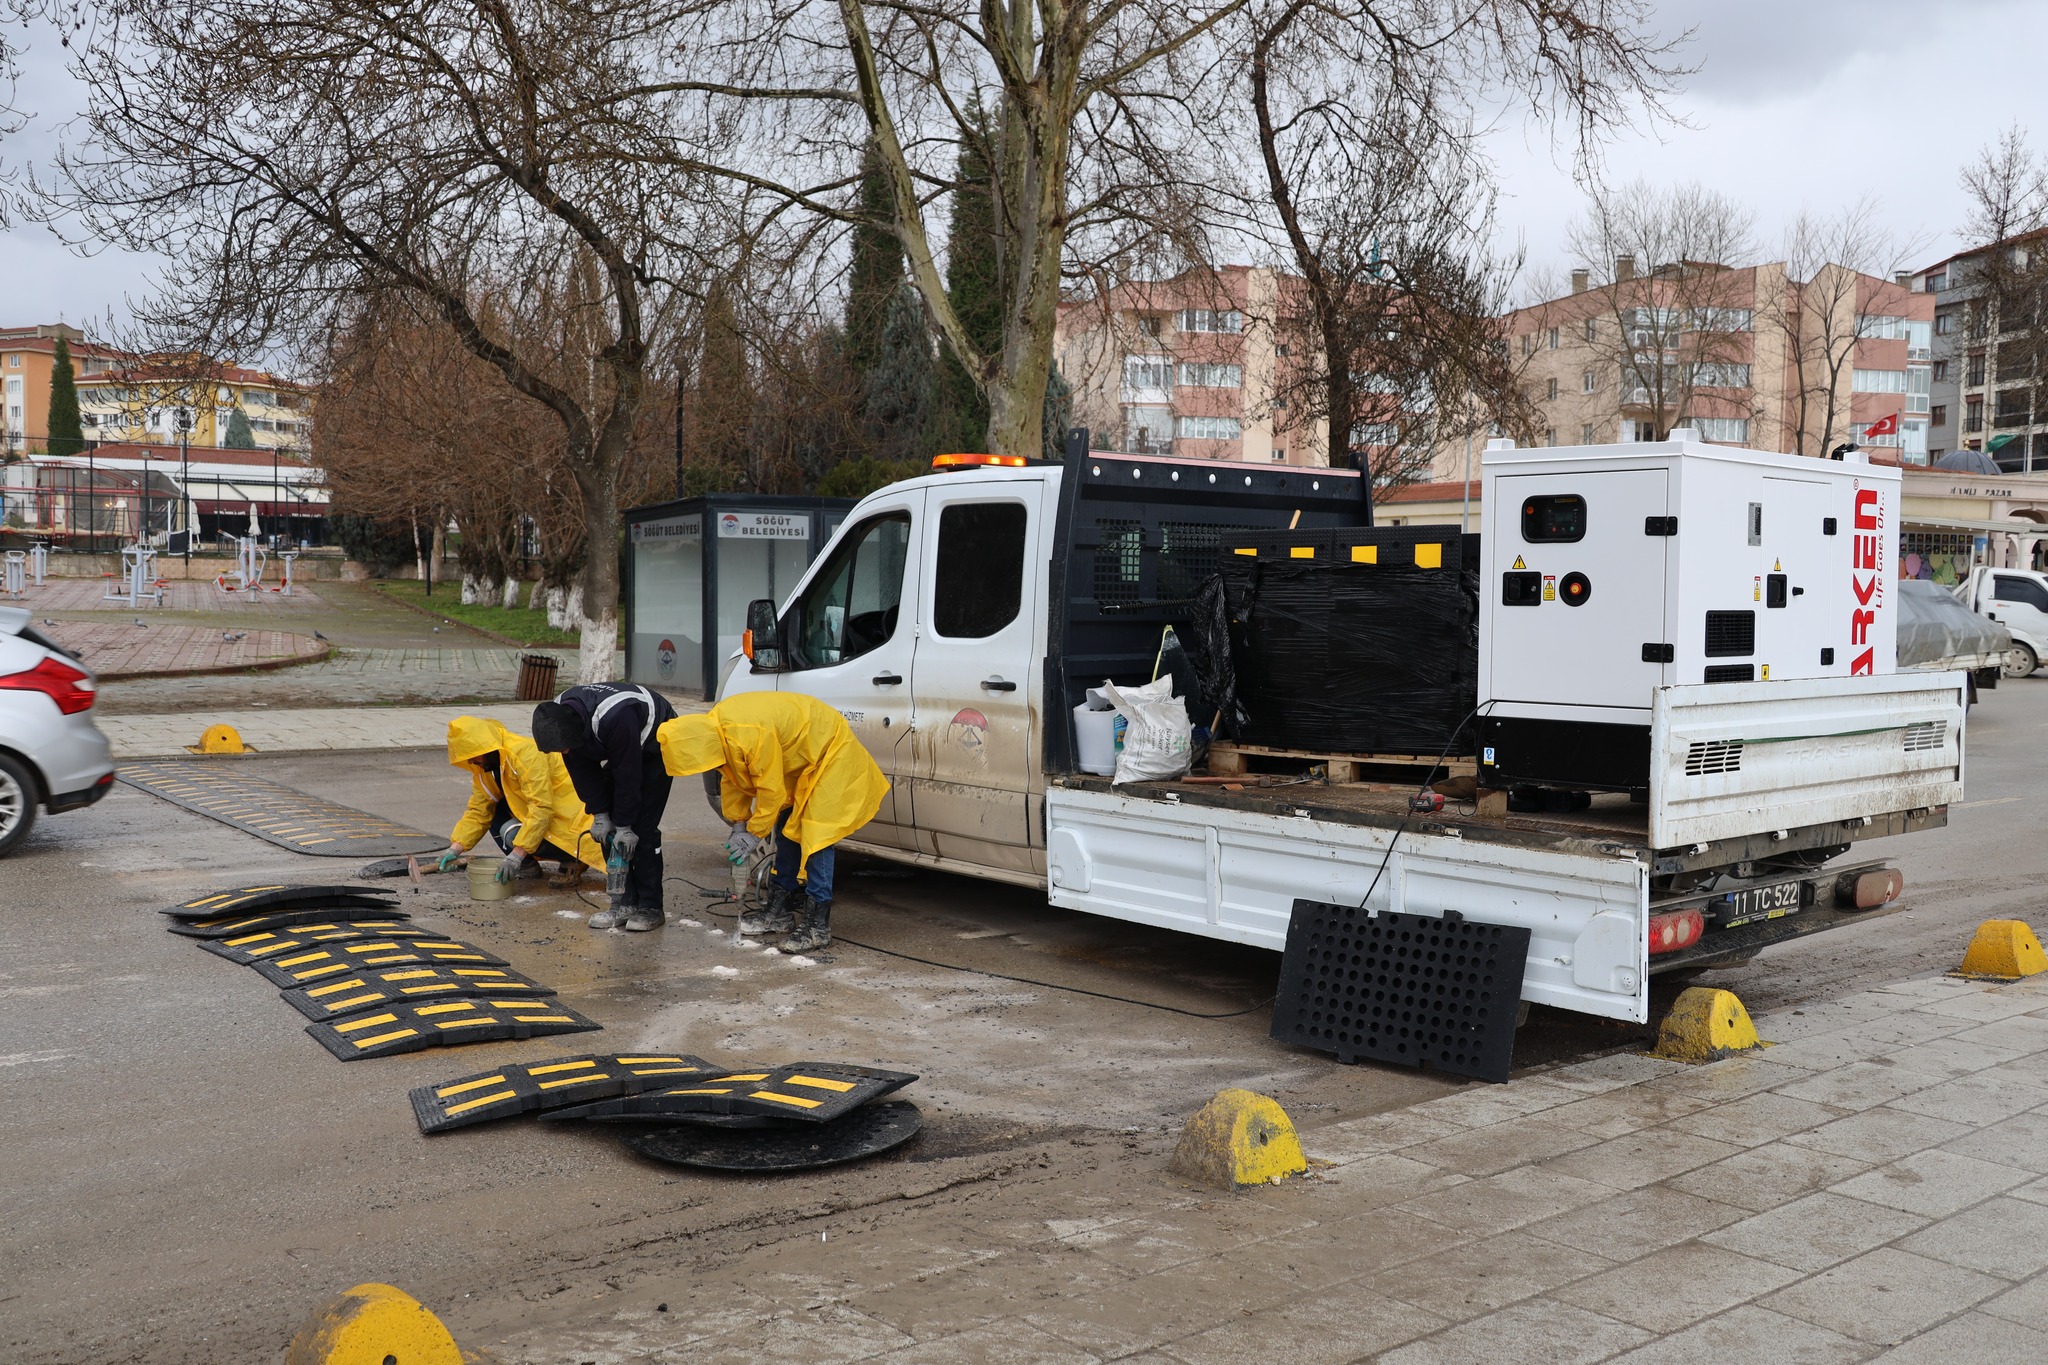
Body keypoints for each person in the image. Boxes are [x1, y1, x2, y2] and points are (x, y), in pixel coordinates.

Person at [656, 691, 888, 954]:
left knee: (816, 834)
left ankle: (817, 926)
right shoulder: (715, 732)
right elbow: (733, 778)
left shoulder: (748, 734)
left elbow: (771, 791)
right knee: (787, 826)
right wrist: (739, 824)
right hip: (799, 758)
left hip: (829, 751)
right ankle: (779, 910)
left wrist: (754, 834)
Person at [531, 682, 677, 931]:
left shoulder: (616, 716)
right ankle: (624, 902)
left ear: (575, 732)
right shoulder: (560, 718)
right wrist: (600, 815)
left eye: (565, 748)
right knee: (606, 829)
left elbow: (627, 774)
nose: (564, 752)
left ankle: (651, 907)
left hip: (656, 743)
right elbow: (583, 773)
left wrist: (625, 825)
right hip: (617, 742)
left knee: (642, 829)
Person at [437, 715, 605, 887]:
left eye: (473, 756)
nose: (471, 762)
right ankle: (528, 865)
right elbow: (478, 811)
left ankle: (571, 859)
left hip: (570, 823)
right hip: (542, 816)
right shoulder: (486, 767)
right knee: (492, 808)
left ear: (486, 748)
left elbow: (541, 809)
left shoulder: (526, 753)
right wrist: (455, 849)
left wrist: (515, 856)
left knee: (512, 834)